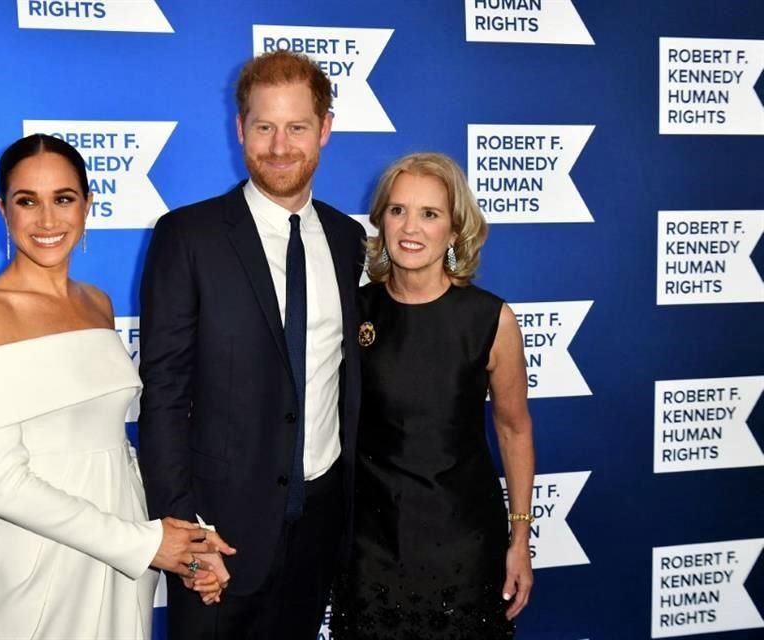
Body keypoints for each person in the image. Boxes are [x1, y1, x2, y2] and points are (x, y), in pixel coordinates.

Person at [0, 134, 233, 640]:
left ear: (87, 205)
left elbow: (116, 450)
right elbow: (4, 487)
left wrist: (186, 546)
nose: (47, 220)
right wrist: (144, 545)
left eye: (63, 198)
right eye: (26, 202)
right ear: (2, 210)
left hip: (125, 550)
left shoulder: (97, 304)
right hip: (43, 560)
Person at [138, 50, 366, 639]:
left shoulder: (347, 239)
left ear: (325, 129)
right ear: (240, 129)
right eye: (263, 126)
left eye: (297, 127)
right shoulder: (187, 236)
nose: (280, 145)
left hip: (319, 526)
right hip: (219, 534)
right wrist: (185, 534)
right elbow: (163, 392)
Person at [330, 152, 535, 639]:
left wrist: (521, 538)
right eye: (398, 210)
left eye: (430, 214)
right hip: (369, 545)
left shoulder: (489, 319)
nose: (410, 228)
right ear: (379, 219)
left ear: (455, 228)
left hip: (463, 543)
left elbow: (514, 428)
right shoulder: (351, 310)